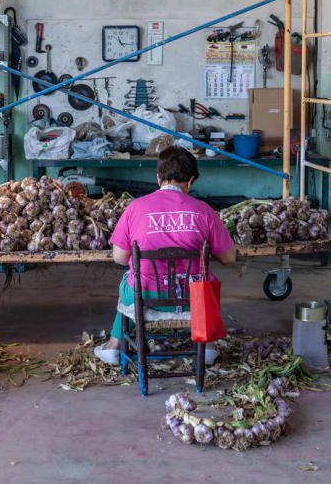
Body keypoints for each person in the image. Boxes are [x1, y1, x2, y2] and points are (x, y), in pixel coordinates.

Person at [95, 146, 236, 364]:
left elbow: (120, 258)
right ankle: (207, 345)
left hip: (146, 299)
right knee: (206, 280)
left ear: (158, 177)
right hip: (193, 301)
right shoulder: (203, 210)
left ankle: (114, 345)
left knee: (131, 278)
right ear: (190, 181)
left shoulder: (136, 208)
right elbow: (228, 258)